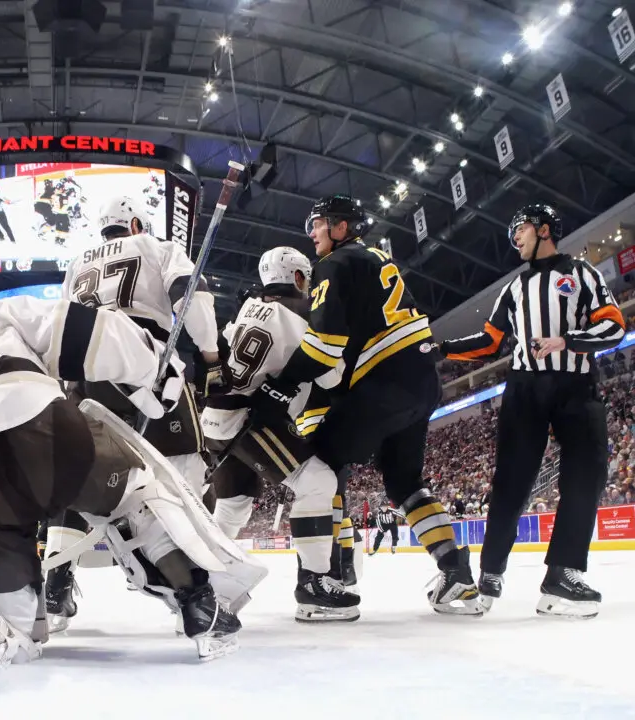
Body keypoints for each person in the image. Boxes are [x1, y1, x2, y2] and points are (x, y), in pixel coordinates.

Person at [0, 280, 265, 689]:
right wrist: (155, 367)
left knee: (14, 626)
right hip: (40, 425)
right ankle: (198, 603)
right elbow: (87, 331)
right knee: (133, 496)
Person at [256, 194, 481, 615]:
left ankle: (322, 580)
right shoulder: (376, 259)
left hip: (384, 381)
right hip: (422, 381)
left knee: (318, 468)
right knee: (404, 481)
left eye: (318, 223)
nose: (312, 232)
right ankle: (457, 574)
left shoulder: (334, 264)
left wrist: (281, 386)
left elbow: (324, 346)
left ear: (341, 227)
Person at [438, 203, 624, 618]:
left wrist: (567, 340)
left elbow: (613, 325)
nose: (514, 238)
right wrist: (442, 347)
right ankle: (489, 574)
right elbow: (489, 342)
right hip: (525, 387)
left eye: (519, 229)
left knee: (589, 472)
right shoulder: (514, 288)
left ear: (543, 229)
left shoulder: (582, 274)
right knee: (511, 478)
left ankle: (563, 573)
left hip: (577, 384)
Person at [45, 195, 222, 632]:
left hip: (85, 375)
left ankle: (55, 589)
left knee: (77, 478)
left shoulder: (78, 264)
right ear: (138, 224)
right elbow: (191, 299)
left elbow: (60, 324)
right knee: (185, 472)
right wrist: (210, 352)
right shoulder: (157, 247)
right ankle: (195, 594)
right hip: (145, 364)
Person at [203, 246, 359, 622]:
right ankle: (315, 586)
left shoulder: (248, 306)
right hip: (250, 417)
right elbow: (332, 377)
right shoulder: (306, 313)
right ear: (299, 277)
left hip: (214, 416)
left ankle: (203, 591)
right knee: (318, 481)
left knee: (233, 504)